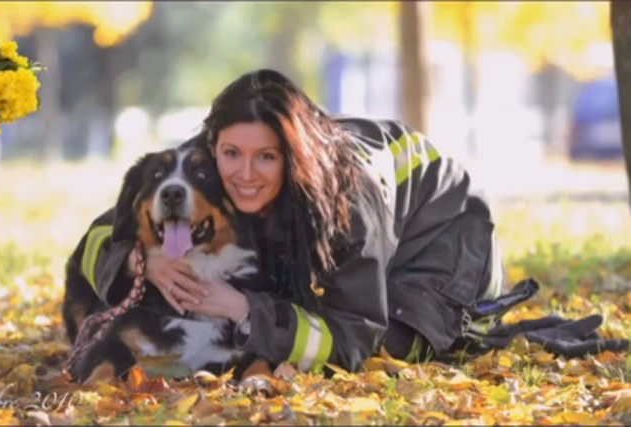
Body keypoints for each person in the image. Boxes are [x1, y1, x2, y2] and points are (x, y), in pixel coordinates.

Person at [80, 68, 506, 374]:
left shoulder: (349, 203)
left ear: (294, 156)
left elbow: (352, 338)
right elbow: (102, 234)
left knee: (384, 348)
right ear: (213, 144)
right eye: (232, 154)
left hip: (449, 238)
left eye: (267, 157)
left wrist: (243, 309)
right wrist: (141, 260)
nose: (245, 175)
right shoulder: (207, 157)